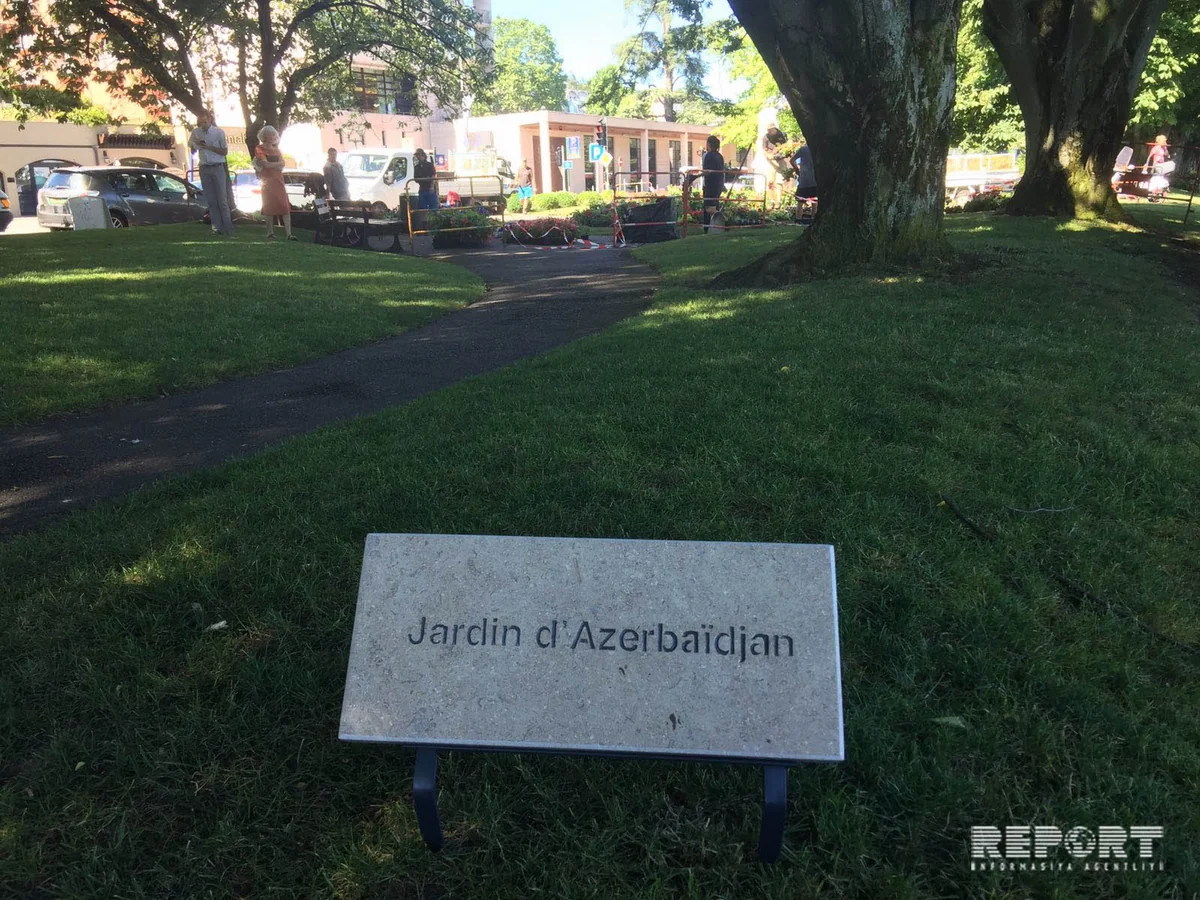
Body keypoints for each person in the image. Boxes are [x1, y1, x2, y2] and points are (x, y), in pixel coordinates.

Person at [190, 109, 234, 236]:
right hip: (204, 167)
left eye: (204, 121)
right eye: (200, 122)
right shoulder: (196, 132)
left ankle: (228, 227)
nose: (202, 124)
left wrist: (209, 147)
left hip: (217, 167)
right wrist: (196, 145)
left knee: (222, 200)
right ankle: (216, 227)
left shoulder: (218, 132)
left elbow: (224, 151)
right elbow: (192, 148)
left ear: (209, 119)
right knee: (211, 200)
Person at [254, 126, 295, 240]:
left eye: (273, 135)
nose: (272, 137)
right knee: (268, 204)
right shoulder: (259, 149)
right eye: (269, 135)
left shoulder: (277, 150)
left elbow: (282, 163)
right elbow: (265, 164)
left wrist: (273, 165)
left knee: (284, 205)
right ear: (264, 136)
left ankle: (289, 233)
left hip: (278, 179)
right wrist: (276, 165)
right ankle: (270, 232)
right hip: (267, 180)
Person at [701, 135, 724, 233]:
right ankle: (715, 228)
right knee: (715, 204)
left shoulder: (708, 156)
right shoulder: (720, 156)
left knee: (708, 208)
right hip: (718, 185)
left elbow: (707, 171)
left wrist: (693, 177)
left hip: (710, 185)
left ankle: (709, 227)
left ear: (709, 144)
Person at [791, 141, 818, 221]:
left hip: (804, 179)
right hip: (814, 179)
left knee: (800, 201)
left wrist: (797, 170)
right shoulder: (818, 148)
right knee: (814, 202)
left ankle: (798, 219)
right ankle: (813, 220)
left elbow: (792, 160)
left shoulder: (803, 149)